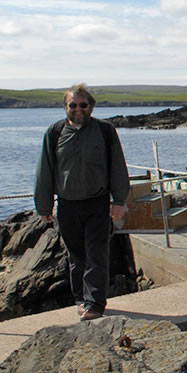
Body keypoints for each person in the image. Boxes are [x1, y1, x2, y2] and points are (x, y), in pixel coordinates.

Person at [34, 83, 130, 321]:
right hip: (68, 204)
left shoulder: (105, 131)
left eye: (83, 105)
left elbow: (118, 166)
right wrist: (44, 206)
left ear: (91, 107)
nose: (78, 109)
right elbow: (45, 170)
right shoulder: (54, 132)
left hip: (97, 203)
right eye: (73, 105)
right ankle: (81, 298)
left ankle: (95, 303)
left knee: (97, 253)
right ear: (65, 106)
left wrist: (119, 200)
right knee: (76, 256)